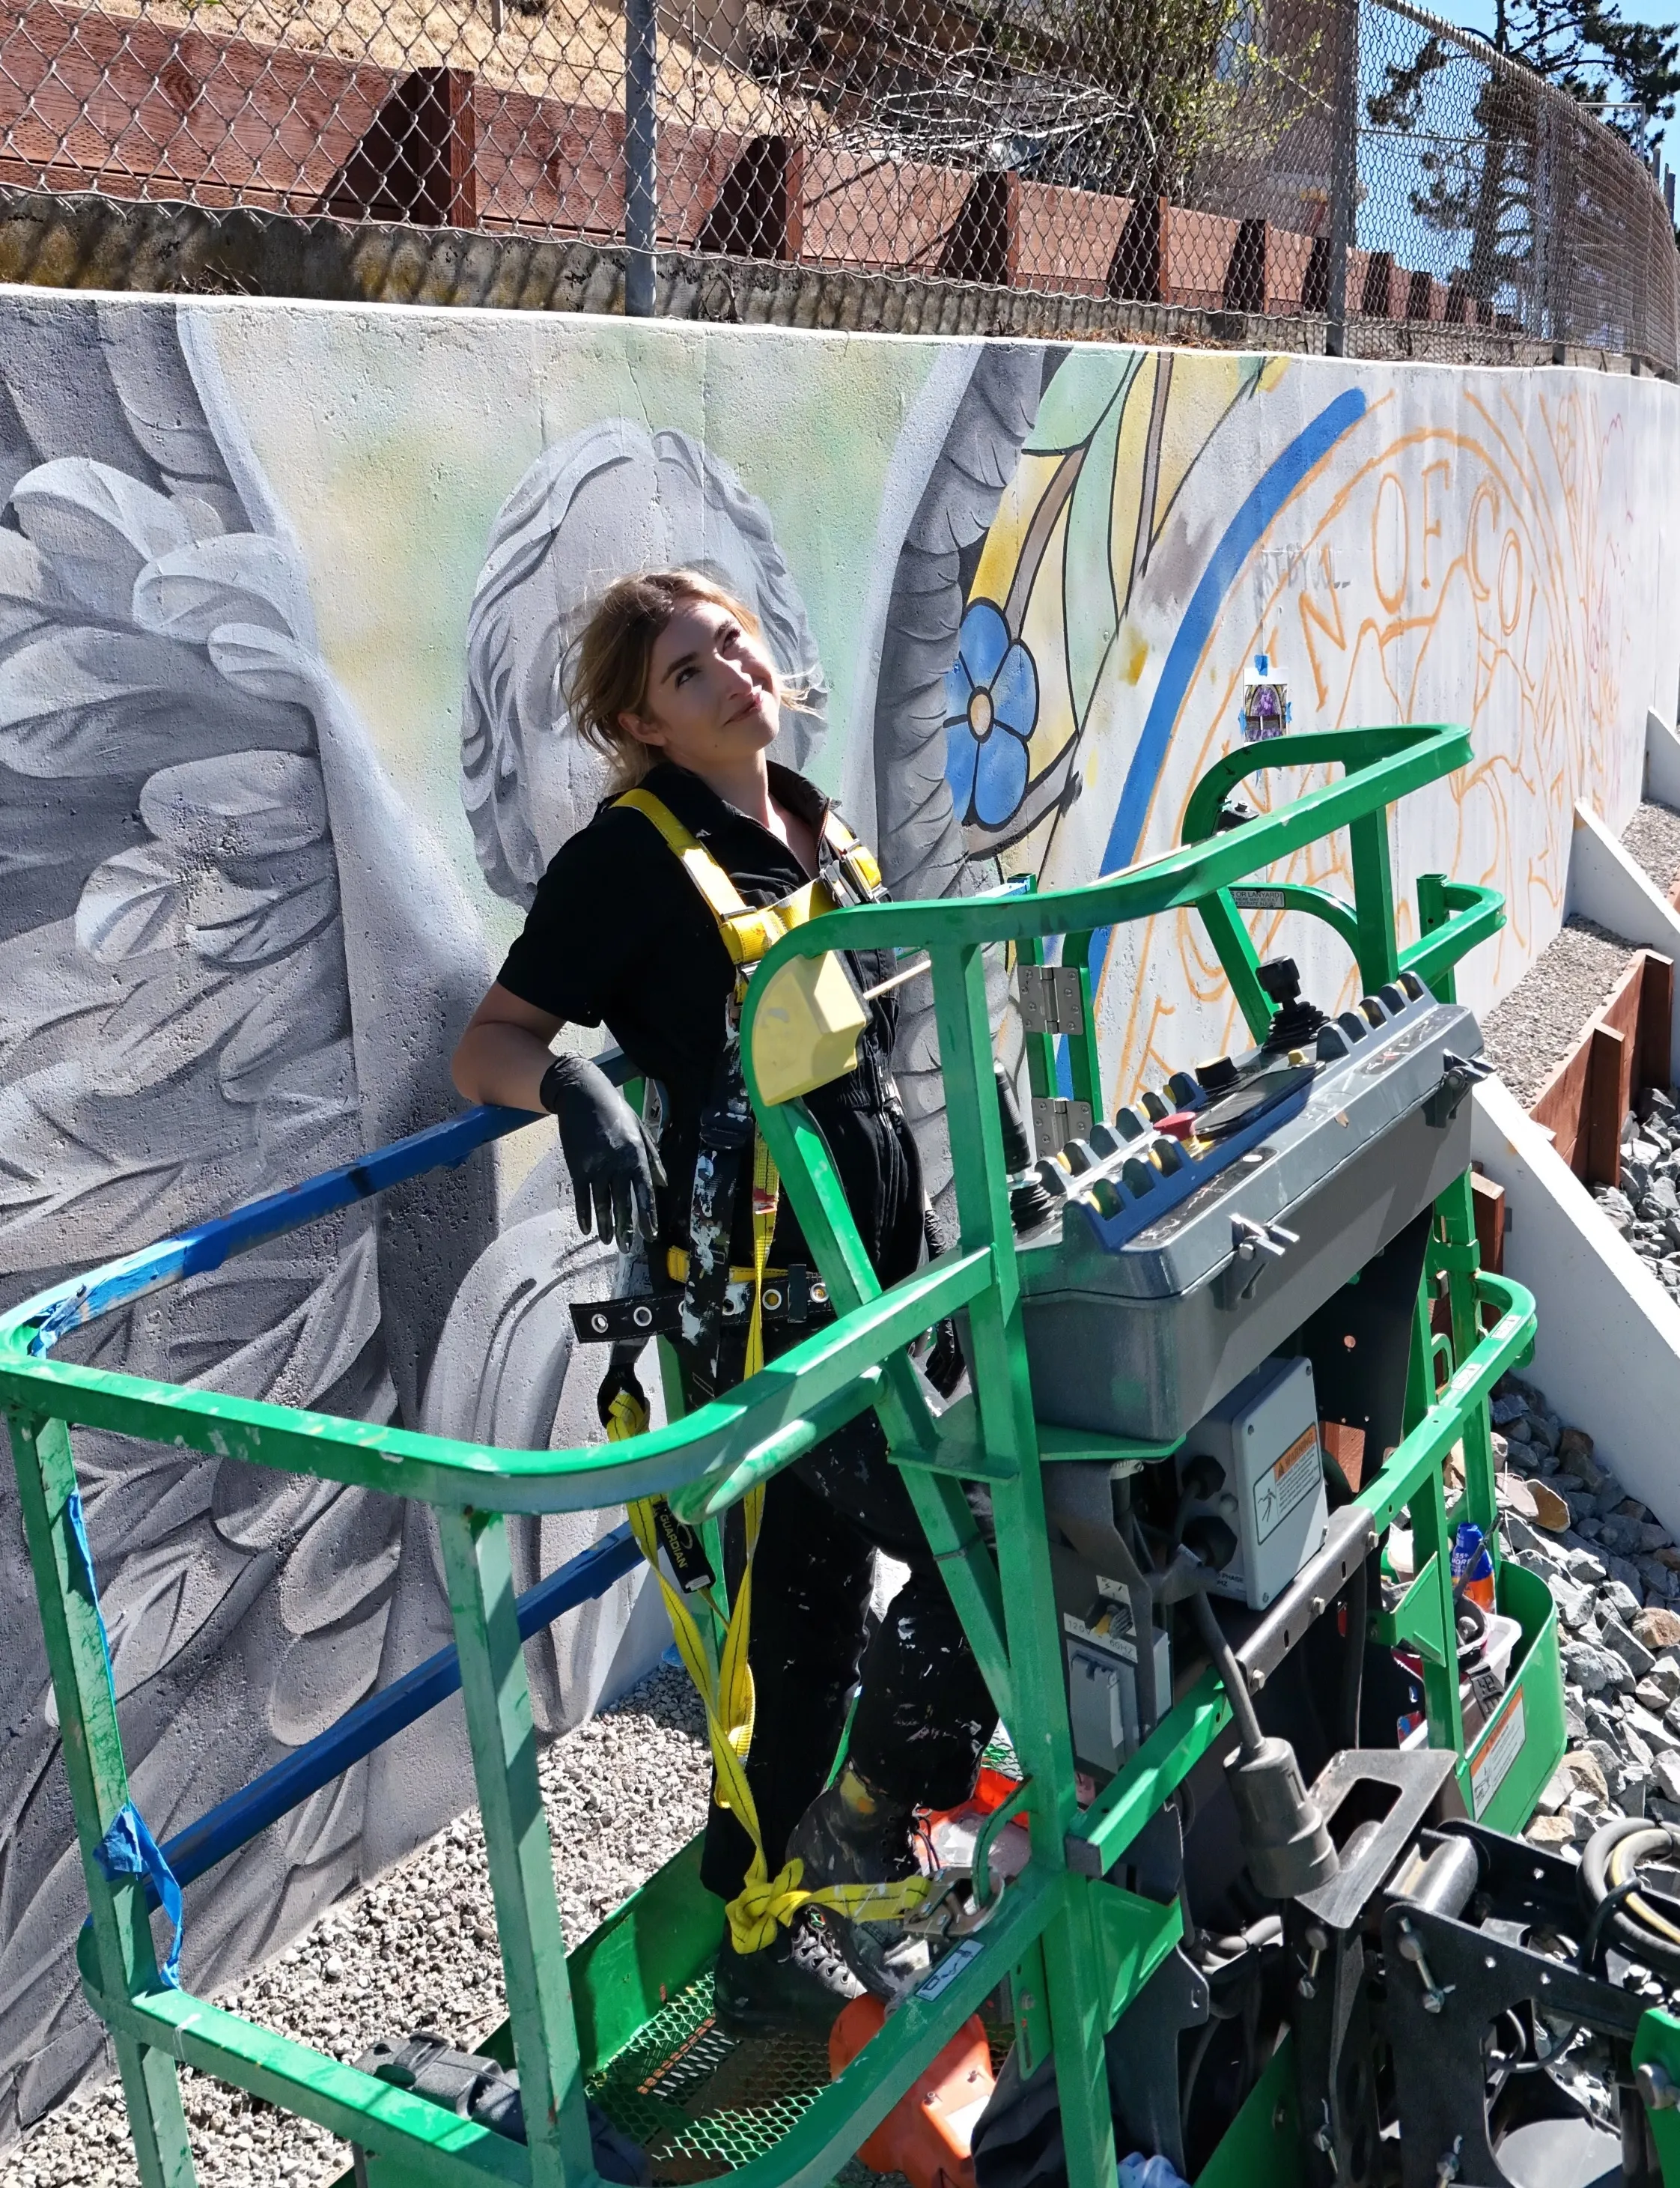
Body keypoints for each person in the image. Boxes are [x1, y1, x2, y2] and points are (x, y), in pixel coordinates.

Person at [451, 568, 996, 2034]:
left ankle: (760, 1927)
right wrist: (571, 1086)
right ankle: (868, 1826)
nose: (732, 670)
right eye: (688, 669)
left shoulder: (813, 822)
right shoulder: (630, 861)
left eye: (735, 643)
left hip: (880, 1270)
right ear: (642, 721)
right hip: (770, 1305)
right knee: (984, 1537)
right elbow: (487, 1043)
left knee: (803, 1619)